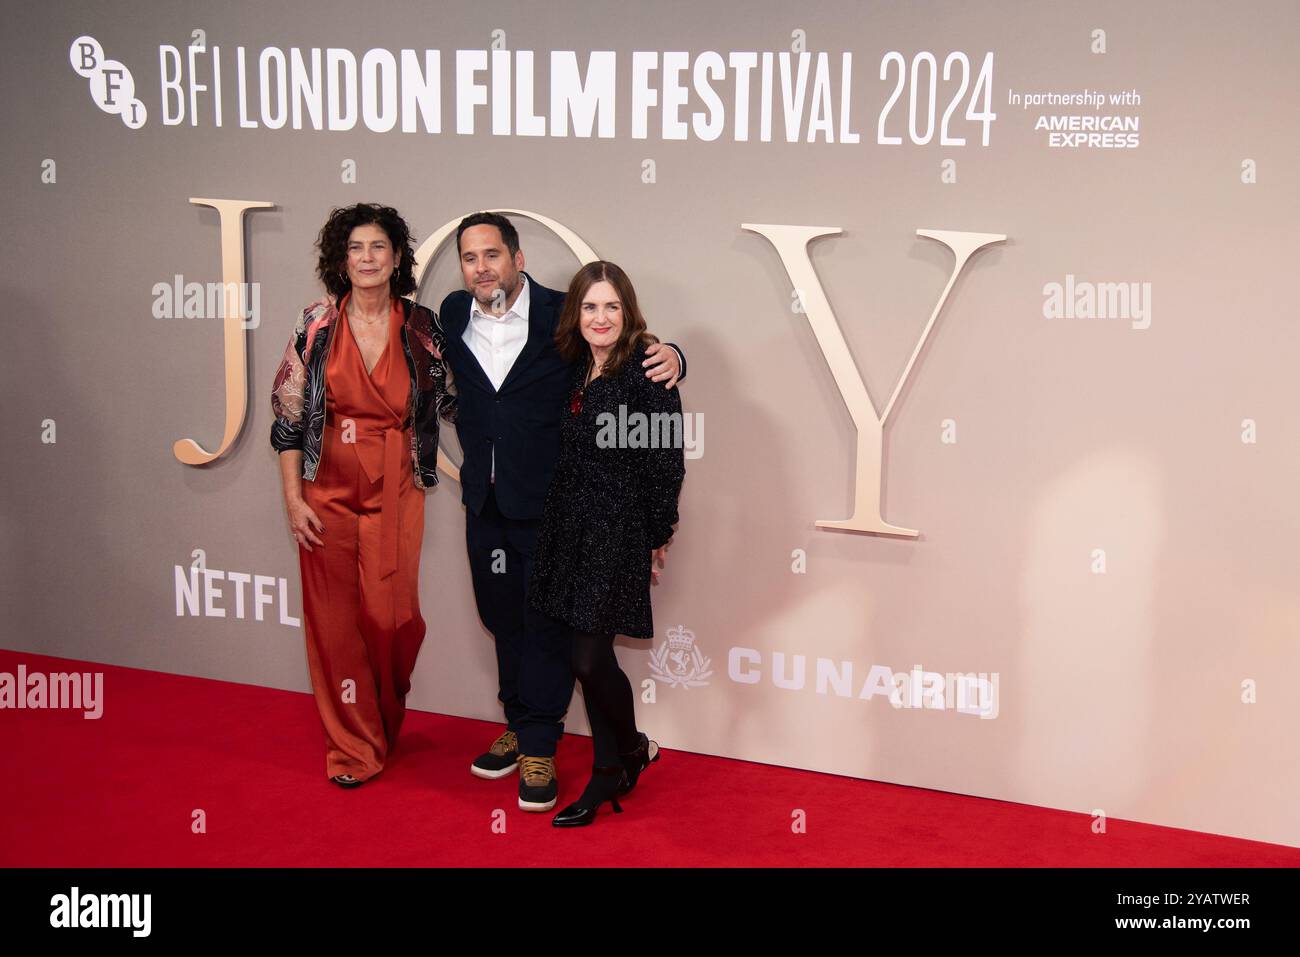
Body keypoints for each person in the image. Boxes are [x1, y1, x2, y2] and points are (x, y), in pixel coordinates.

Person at [437, 213, 685, 811]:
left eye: (492, 254)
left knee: (548, 624)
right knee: (503, 619)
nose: (482, 267)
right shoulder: (450, 314)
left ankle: (543, 745)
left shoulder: (559, 313)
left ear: (517, 258)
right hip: (485, 500)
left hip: (553, 505)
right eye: (470, 258)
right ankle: (522, 726)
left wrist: (673, 355)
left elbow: (633, 358)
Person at [271, 203, 455, 788]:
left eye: (379, 247)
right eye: (356, 248)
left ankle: (380, 714)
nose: (368, 258)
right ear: (341, 260)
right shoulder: (317, 324)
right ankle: (353, 749)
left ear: (397, 257)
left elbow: (456, 399)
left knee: (391, 618)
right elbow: (288, 418)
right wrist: (293, 500)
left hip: (397, 488)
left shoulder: (423, 327)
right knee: (334, 623)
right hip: (324, 489)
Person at [529, 261, 685, 826]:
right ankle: (624, 757)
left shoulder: (646, 372)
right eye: (591, 307)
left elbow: (666, 461)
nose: (601, 318)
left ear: (628, 312)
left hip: (616, 532)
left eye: (612, 307)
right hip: (569, 527)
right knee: (588, 660)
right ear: (578, 312)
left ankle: (617, 761)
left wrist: (658, 530)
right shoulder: (573, 367)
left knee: (589, 659)